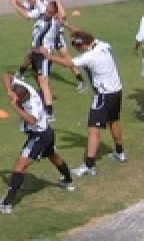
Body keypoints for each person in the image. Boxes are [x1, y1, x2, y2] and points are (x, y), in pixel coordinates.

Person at [43, 27, 127, 175]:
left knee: (93, 129)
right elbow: (82, 33)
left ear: (81, 45)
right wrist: (68, 25)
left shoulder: (89, 57)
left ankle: (89, 165)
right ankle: (120, 153)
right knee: (113, 121)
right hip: (116, 91)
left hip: (103, 95)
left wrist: (49, 57)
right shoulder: (103, 45)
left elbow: (69, 63)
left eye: (77, 47)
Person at [0, 73, 76, 214]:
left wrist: (15, 107)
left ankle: (7, 204)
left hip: (39, 137)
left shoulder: (33, 105)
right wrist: (9, 91)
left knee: (19, 166)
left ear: (23, 98)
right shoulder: (24, 88)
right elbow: (6, 75)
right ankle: (68, 180)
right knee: (54, 157)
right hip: (47, 133)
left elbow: (32, 120)